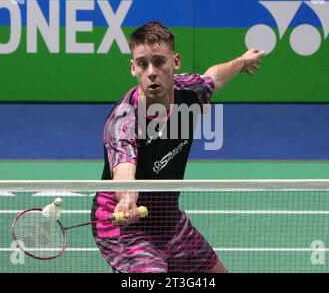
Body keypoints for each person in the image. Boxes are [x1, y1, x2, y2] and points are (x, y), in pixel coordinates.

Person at [91, 21, 265, 273]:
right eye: (142, 63)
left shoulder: (190, 91)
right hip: (123, 225)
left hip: (166, 217)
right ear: (133, 68)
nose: (151, 71)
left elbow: (214, 76)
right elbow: (123, 171)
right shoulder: (125, 121)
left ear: (175, 62)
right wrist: (127, 199)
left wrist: (242, 61)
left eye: (159, 61)